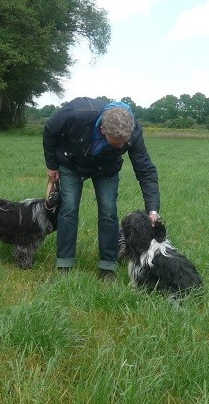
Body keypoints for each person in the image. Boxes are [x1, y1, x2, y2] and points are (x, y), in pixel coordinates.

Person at [43, 97, 160, 281]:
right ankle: (64, 263)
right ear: (103, 130)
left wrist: (152, 209)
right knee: (69, 209)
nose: (122, 147)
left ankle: (108, 266)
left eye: (125, 142)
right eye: (117, 144)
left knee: (108, 211)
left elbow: (145, 170)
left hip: (106, 168)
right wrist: (52, 165)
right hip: (71, 162)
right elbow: (50, 130)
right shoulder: (77, 114)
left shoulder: (133, 131)